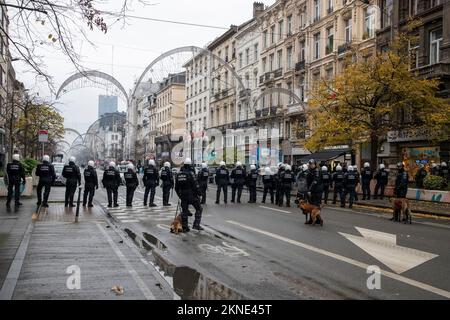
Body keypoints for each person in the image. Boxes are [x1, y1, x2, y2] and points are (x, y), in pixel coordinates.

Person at [175, 158, 203, 232]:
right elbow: (195, 185)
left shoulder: (179, 174)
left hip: (183, 196)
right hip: (191, 195)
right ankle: (196, 225)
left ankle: (185, 227)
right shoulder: (190, 173)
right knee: (199, 209)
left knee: (184, 211)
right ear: (190, 164)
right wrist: (199, 193)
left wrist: (180, 195)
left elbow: (176, 187)